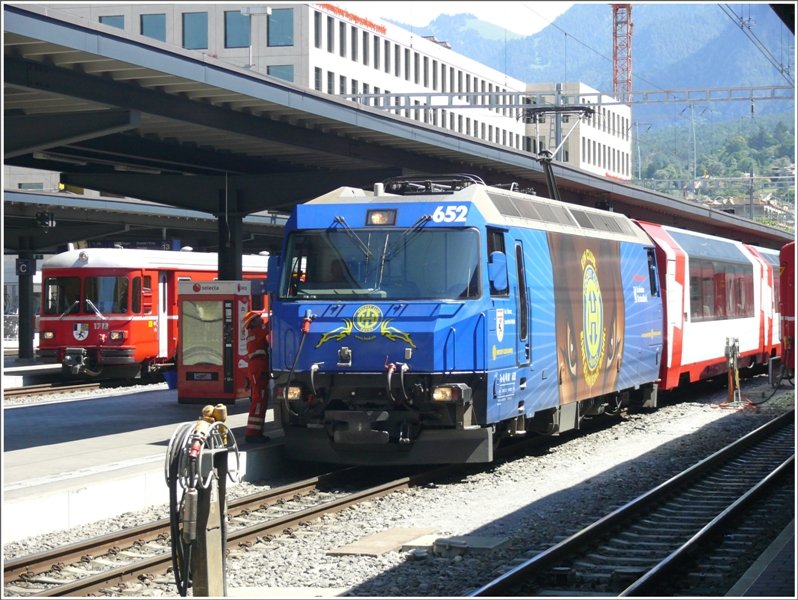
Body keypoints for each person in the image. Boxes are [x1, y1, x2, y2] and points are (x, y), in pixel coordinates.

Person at [243, 310, 271, 443]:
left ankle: (255, 433)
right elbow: (270, 325)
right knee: (259, 400)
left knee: (260, 400)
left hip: (257, 369)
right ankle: (253, 434)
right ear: (253, 322)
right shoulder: (257, 332)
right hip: (258, 370)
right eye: (258, 318)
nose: (261, 319)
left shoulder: (253, 334)